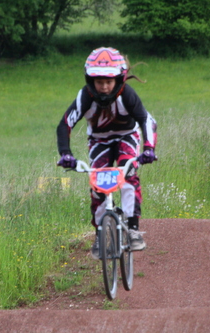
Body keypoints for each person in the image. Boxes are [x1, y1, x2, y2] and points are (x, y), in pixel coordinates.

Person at [56, 47, 157, 259]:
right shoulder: (85, 96)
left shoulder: (127, 94)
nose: (103, 87)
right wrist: (66, 154)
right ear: (90, 80)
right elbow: (65, 124)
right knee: (98, 184)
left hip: (127, 137)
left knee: (128, 176)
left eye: (108, 82)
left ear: (119, 80)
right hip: (99, 140)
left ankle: (133, 229)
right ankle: (100, 234)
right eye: (98, 82)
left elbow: (147, 120)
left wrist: (149, 149)